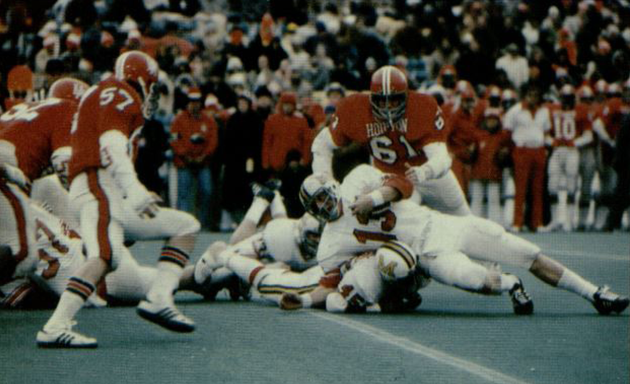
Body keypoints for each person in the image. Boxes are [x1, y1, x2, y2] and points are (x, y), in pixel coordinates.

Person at [282, 163, 629, 316]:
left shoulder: (358, 179)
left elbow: (404, 185)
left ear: (333, 188)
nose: (326, 206)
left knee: (526, 250)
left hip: (444, 225)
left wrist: (373, 199)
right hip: (428, 255)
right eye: (318, 206)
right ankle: (509, 284)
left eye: (326, 198)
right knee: (475, 280)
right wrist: (303, 299)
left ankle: (594, 293)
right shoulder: (330, 242)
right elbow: (328, 282)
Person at [37, 51, 201, 348]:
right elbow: (111, 144)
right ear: (140, 80)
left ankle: (159, 298)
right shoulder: (119, 92)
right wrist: (135, 190)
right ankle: (55, 325)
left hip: (107, 190)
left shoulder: (103, 92)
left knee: (184, 227)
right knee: (105, 256)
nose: (150, 94)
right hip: (96, 183)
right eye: (150, 86)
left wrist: (129, 192)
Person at [311, 65, 470, 216]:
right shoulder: (354, 109)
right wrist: (326, 180)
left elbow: (441, 158)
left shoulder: (422, 106)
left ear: (406, 97)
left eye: (394, 101)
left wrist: (424, 172)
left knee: (463, 219)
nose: (388, 108)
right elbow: (321, 145)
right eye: (382, 101)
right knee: (403, 230)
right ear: (372, 98)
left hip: (429, 176)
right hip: (389, 180)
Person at [0, 78, 88, 286]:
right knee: (24, 254)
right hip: (6, 178)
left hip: (10, 179)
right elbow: (64, 166)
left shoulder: (23, 109)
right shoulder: (68, 109)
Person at [193, 183, 324, 304]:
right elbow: (237, 245)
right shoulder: (284, 238)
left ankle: (268, 197)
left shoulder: (328, 247)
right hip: (262, 254)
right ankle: (262, 201)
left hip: (271, 263)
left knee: (281, 268)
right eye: (313, 236)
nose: (316, 241)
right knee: (215, 275)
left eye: (320, 237)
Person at [543, 84, 593, 232]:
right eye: (564, 98)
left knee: (572, 186)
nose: (566, 101)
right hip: (557, 150)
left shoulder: (581, 110)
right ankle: (555, 220)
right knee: (552, 185)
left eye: (569, 98)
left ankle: (570, 221)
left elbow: (588, 135)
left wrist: (575, 142)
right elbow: (545, 132)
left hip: (572, 151)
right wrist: (552, 142)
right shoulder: (552, 110)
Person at [503, 83, 550, 232]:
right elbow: (507, 133)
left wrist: (546, 148)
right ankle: (517, 222)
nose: (533, 98)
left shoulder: (544, 111)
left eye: (535, 95)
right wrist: (512, 152)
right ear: (525, 96)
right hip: (522, 151)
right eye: (530, 95)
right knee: (521, 189)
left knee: (538, 189)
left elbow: (547, 131)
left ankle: (537, 223)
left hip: (539, 150)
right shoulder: (515, 111)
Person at [169, 86, 218, 229]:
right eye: (191, 101)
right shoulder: (178, 120)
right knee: (183, 194)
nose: (194, 104)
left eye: (197, 101)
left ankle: (202, 224)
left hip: (203, 162)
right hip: (184, 162)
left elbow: (213, 140)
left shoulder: (208, 120)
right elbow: (174, 140)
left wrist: (204, 156)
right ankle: (183, 225)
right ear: (187, 102)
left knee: (207, 191)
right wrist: (185, 155)